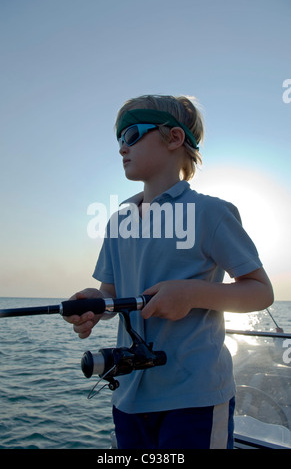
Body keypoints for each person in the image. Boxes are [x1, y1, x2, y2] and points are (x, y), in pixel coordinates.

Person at [64, 94, 274, 449]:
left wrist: (191, 294)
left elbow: (260, 291)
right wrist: (94, 304)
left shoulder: (211, 213)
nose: (121, 148)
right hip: (128, 398)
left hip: (196, 398)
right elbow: (110, 291)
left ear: (174, 139)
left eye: (130, 135)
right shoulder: (118, 222)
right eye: (118, 139)